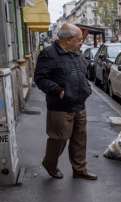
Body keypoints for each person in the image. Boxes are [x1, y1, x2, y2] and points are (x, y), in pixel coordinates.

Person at [34, 23, 97, 180]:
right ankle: (50, 164)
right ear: (67, 40)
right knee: (59, 139)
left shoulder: (76, 53)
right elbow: (40, 79)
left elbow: (83, 72)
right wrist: (58, 90)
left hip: (79, 104)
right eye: (79, 39)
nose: (81, 42)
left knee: (79, 139)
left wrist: (86, 87)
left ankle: (79, 169)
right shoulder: (48, 53)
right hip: (60, 106)